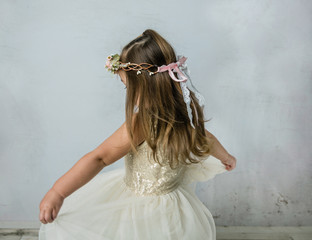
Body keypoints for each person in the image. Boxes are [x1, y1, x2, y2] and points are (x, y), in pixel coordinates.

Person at [38, 29, 237, 240]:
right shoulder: (184, 110)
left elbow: (100, 157)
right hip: (170, 204)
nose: (129, 94)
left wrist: (57, 192)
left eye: (128, 87)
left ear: (145, 86)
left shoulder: (143, 121)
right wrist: (226, 157)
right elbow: (206, 138)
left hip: (147, 208)